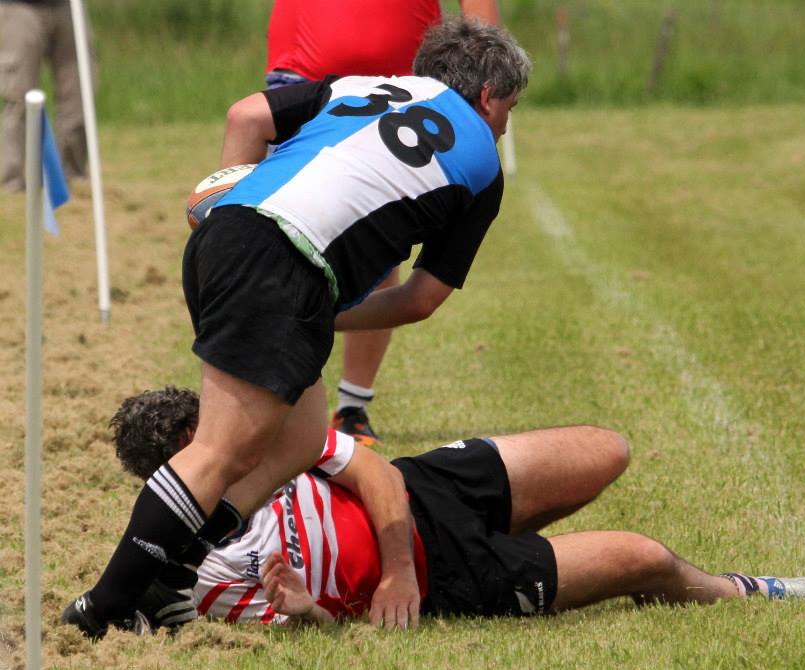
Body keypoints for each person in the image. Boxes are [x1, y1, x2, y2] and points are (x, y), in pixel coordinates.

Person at [62, 17, 532, 639]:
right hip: (285, 263)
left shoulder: (362, 85)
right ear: (488, 97)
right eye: (510, 110)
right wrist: (326, 315)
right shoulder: (486, 167)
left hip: (230, 236)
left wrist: (230, 210)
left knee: (302, 438)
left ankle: (173, 578)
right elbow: (421, 298)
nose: (504, 125)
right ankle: (102, 609)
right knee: (224, 449)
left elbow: (245, 117)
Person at [106, 387, 805, 631]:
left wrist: (394, 563)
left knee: (607, 449)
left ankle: (520, 537)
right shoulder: (202, 577)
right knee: (644, 560)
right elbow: (327, 628)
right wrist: (307, 611)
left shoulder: (263, 441)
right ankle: (754, 587)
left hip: (423, 489)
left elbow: (369, 470)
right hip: (450, 578)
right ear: (176, 459)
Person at [264, 0, 500, 447]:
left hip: (407, 86)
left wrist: (485, 80)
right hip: (305, 76)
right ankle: (278, 397)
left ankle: (351, 405)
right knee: (285, 236)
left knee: (375, 242)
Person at [0, 0, 88, 191]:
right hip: (20, 8)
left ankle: (71, 176)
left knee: (79, 97)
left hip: (68, 7)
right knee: (19, 98)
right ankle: (11, 182)